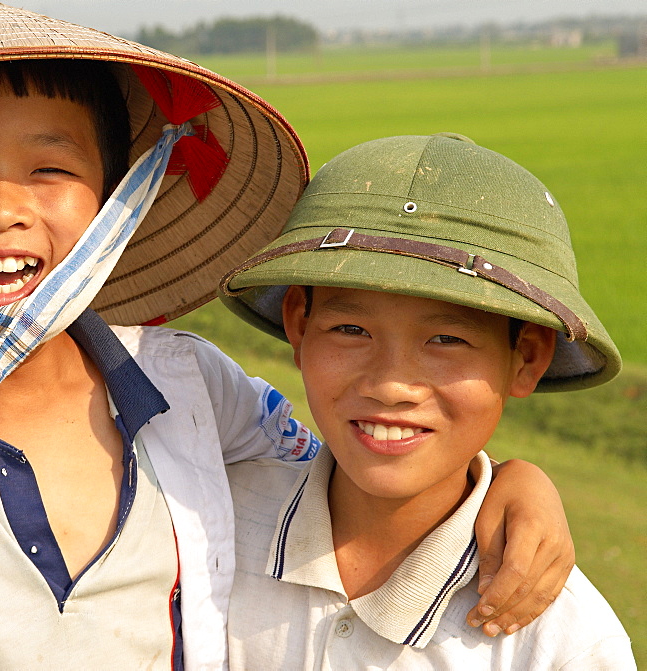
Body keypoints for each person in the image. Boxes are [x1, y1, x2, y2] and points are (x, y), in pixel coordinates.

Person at [0, 2, 574, 668]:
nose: (1, 207)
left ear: (118, 198)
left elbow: (354, 470)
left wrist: (513, 483)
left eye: (49, 169)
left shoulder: (194, 391)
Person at [218, 132, 635, 669]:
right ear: (300, 324)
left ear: (526, 357)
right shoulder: (204, 522)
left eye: (446, 340)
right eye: (351, 328)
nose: (391, 384)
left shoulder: (561, 640)